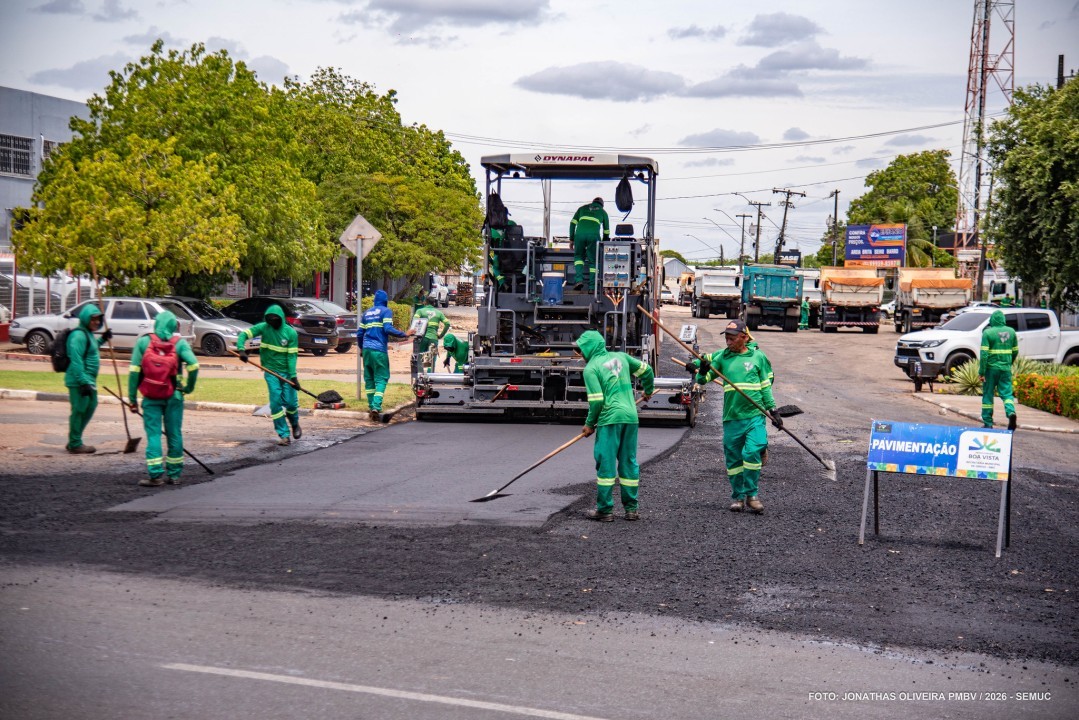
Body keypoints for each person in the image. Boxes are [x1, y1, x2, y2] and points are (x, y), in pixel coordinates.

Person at [692, 319, 780, 514]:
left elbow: (765, 387)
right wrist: (703, 369)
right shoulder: (723, 358)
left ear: (744, 337)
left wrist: (773, 410)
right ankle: (738, 497)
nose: (728, 341)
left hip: (754, 415)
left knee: (751, 453)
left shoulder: (758, 357)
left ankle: (752, 495)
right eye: (727, 338)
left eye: (732, 338)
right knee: (733, 461)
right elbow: (702, 380)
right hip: (732, 418)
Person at [576, 330, 654, 522]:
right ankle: (631, 509)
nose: (580, 353)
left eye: (581, 349)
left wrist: (589, 424)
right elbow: (647, 371)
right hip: (630, 417)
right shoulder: (622, 357)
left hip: (610, 419)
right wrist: (648, 390)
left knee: (606, 463)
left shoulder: (591, 369)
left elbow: (597, 402)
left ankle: (605, 510)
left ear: (589, 348)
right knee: (628, 462)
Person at [127, 310, 199, 486]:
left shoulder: (144, 342)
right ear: (173, 326)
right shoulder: (180, 344)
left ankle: (155, 475)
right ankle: (174, 475)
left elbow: (134, 372)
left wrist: (132, 399)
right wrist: (188, 388)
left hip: (151, 396)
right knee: (174, 434)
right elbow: (194, 365)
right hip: (174, 395)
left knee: (154, 435)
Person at [236, 305, 302, 445]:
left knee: (291, 403)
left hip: (286, 373)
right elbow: (244, 334)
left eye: (275, 319)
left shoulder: (290, 333)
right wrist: (241, 350)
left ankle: (295, 423)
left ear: (281, 318)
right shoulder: (264, 327)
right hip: (270, 371)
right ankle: (284, 435)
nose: (272, 322)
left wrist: (293, 377)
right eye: (269, 319)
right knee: (275, 403)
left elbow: (292, 357)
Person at [358, 290, 414, 421]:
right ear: (385, 301)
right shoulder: (386, 311)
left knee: (369, 379)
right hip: (379, 350)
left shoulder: (367, 313)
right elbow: (387, 328)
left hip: (366, 350)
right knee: (381, 378)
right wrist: (405, 334)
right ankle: (376, 406)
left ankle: (371, 405)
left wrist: (361, 348)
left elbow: (360, 333)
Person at [64, 303, 110, 454]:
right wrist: (83, 382)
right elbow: (76, 360)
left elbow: (91, 348)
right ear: (85, 318)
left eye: (98, 319)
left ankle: (74, 439)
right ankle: (75, 443)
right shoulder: (78, 335)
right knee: (79, 410)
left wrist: (103, 339)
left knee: (90, 406)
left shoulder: (87, 333)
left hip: (88, 379)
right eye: (93, 319)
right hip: (79, 380)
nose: (96, 322)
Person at [978, 309, 1019, 430]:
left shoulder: (988, 333)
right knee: (1007, 394)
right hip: (1005, 369)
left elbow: (984, 355)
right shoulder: (1011, 332)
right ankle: (1011, 413)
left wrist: (982, 372)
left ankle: (988, 423)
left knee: (988, 395)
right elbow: (1015, 351)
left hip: (991, 370)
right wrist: (1009, 363)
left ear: (992, 320)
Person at [570, 197, 610, 291]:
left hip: (579, 235)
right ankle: (592, 287)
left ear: (592, 202)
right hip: (593, 236)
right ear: (602, 205)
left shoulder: (582, 208)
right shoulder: (603, 212)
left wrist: (571, 239)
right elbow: (606, 231)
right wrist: (604, 243)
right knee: (594, 261)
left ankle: (579, 280)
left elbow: (572, 223)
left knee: (579, 257)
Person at [412, 294, 450, 369]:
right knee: (432, 359)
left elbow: (415, 321)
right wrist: (441, 335)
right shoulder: (439, 313)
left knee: (420, 357)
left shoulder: (420, 311)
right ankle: (430, 373)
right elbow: (447, 323)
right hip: (433, 338)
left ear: (425, 302)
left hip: (422, 338)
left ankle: (420, 373)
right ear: (434, 303)